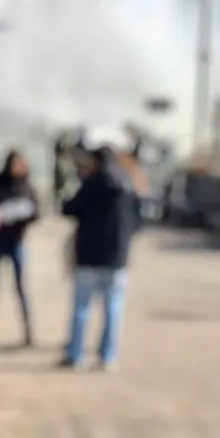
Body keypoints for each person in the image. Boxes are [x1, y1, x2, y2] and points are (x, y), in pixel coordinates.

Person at [59, 146, 141, 370]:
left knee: (81, 308)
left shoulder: (91, 184)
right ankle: (108, 357)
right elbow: (138, 220)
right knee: (113, 308)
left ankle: (76, 354)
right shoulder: (127, 185)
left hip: (88, 256)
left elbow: (69, 209)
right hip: (116, 257)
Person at [0, 150, 38, 347]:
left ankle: (28, 333)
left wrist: (21, 214)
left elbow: (36, 211)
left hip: (17, 242)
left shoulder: (26, 186)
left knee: (21, 289)